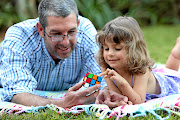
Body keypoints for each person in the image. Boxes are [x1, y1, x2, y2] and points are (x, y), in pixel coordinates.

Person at [0, 0, 129, 108]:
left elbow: (97, 77)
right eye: (56, 34)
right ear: (40, 29)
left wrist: (104, 92)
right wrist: (62, 104)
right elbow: (17, 95)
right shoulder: (19, 37)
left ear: (78, 24)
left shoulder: (85, 32)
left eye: (72, 31)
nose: (66, 42)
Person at [95, 16, 180, 105]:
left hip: (169, 87)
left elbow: (138, 101)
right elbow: (118, 96)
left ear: (133, 49)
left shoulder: (141, 70)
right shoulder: (106, 69)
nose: (110, 54)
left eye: (117, 49)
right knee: (168, 71)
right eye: (106, 49)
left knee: (172, 75)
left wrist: (122, 83)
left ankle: (175, 55)